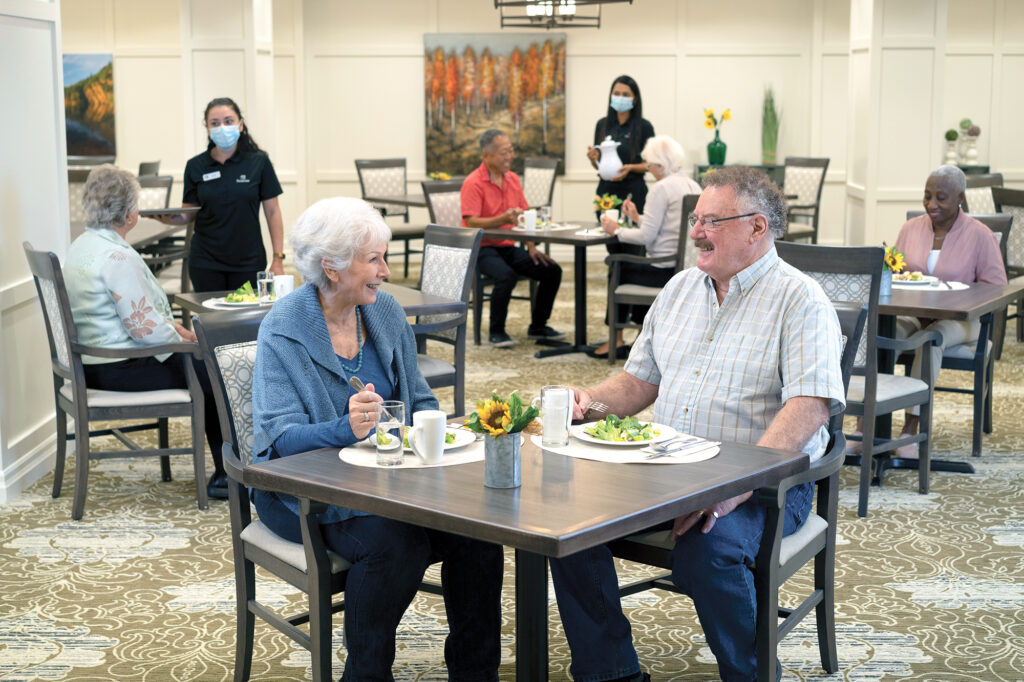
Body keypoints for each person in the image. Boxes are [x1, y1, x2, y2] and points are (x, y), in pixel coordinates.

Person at [548, 167, 845, 682]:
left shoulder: (801, 300)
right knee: (567, 527)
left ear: (756, 228)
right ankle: (611, 671)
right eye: (696, 219)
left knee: (708, 549)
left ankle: (751, 673)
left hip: (766, 483)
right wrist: (586, 401)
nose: (695, 231)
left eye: (711, 221)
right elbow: (639, 383)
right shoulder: (682, 288)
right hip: (667, 467)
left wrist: (735, 489)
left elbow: (809, 409)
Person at [251, 197, 503, 680]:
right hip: (306, 493)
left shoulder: (383, 311)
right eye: (374, 259)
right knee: (395, 544)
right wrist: (342, 428)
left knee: (480, 534)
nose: (386, 271)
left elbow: (423, 400)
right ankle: (365, 673)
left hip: (393, 481)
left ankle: (476, 673)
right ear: (332, 266)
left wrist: (434, 434)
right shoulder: (283, 328)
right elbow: (279, 439)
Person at [63, 165, 228, 499]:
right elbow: (145, 332)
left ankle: (227, 470)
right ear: (128, 213)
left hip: (90, 366)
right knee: (212, 369)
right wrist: (187, 340)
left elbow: (140, 321)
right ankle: (227, 474)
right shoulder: (117, 256)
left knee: (201, 360)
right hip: (118, 367)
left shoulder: (82, 244)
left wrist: (175, 330)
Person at [889, 165, 1006, 455]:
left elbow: (996, 288)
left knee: (931, 340)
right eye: (927, 196)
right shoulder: (910, 229)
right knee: (884, 334)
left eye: (941, 198)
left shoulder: (981, 236)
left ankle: (911, 429)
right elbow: (895, 272)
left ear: (960, 198)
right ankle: (867, 426)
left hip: (964, 321)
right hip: (915, 312)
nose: (932, 204)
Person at [587, 135, 702, 359]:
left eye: (649, 164)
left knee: (618, 266)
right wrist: (637, 217)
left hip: (662, 270)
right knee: (634, 267)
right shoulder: (692, 185)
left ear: (660, 165)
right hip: (684, 269)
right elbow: (668, 228)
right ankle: (641, 337)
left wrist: (615, 230)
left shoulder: (661, 188)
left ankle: (617, 340)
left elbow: (646, 237)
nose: (648, 169)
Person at [155, 96, 285, 293]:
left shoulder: (259, 162)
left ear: (240, 125)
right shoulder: (195, 166)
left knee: (244, 321)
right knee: (209, 320)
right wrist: (164, 217)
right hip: (205, 262)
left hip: (248, 261)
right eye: (215, 123)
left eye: (228, 121)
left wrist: (278, 258)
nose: (222, 127)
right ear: (207, 128)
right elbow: (187, 215)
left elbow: (273, 212)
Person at [461, 128, 564, 348]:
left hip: (507, 246)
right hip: (482, 249)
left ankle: (538, 326)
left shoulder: (513, 179)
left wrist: (531, 246)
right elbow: (471, 222)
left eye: (510, 151)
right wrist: (502, 218)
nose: (509, 156)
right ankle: (497, 331)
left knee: (551, 271)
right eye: (503, 152)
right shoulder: (474, 182)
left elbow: (525, 214)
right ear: (486, 155)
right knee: (506, 276)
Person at [587, 75, 656, 216]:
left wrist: (631, 168)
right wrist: (593, 159)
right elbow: (598, 164)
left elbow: (652, 164)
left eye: (626, 94)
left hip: (633, 193)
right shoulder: (602, 125)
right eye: (616, 94)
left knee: (630, 234)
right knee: (605, 233)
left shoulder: (644, 127)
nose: (620, 97)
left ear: (635, 98)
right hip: (606, 193)